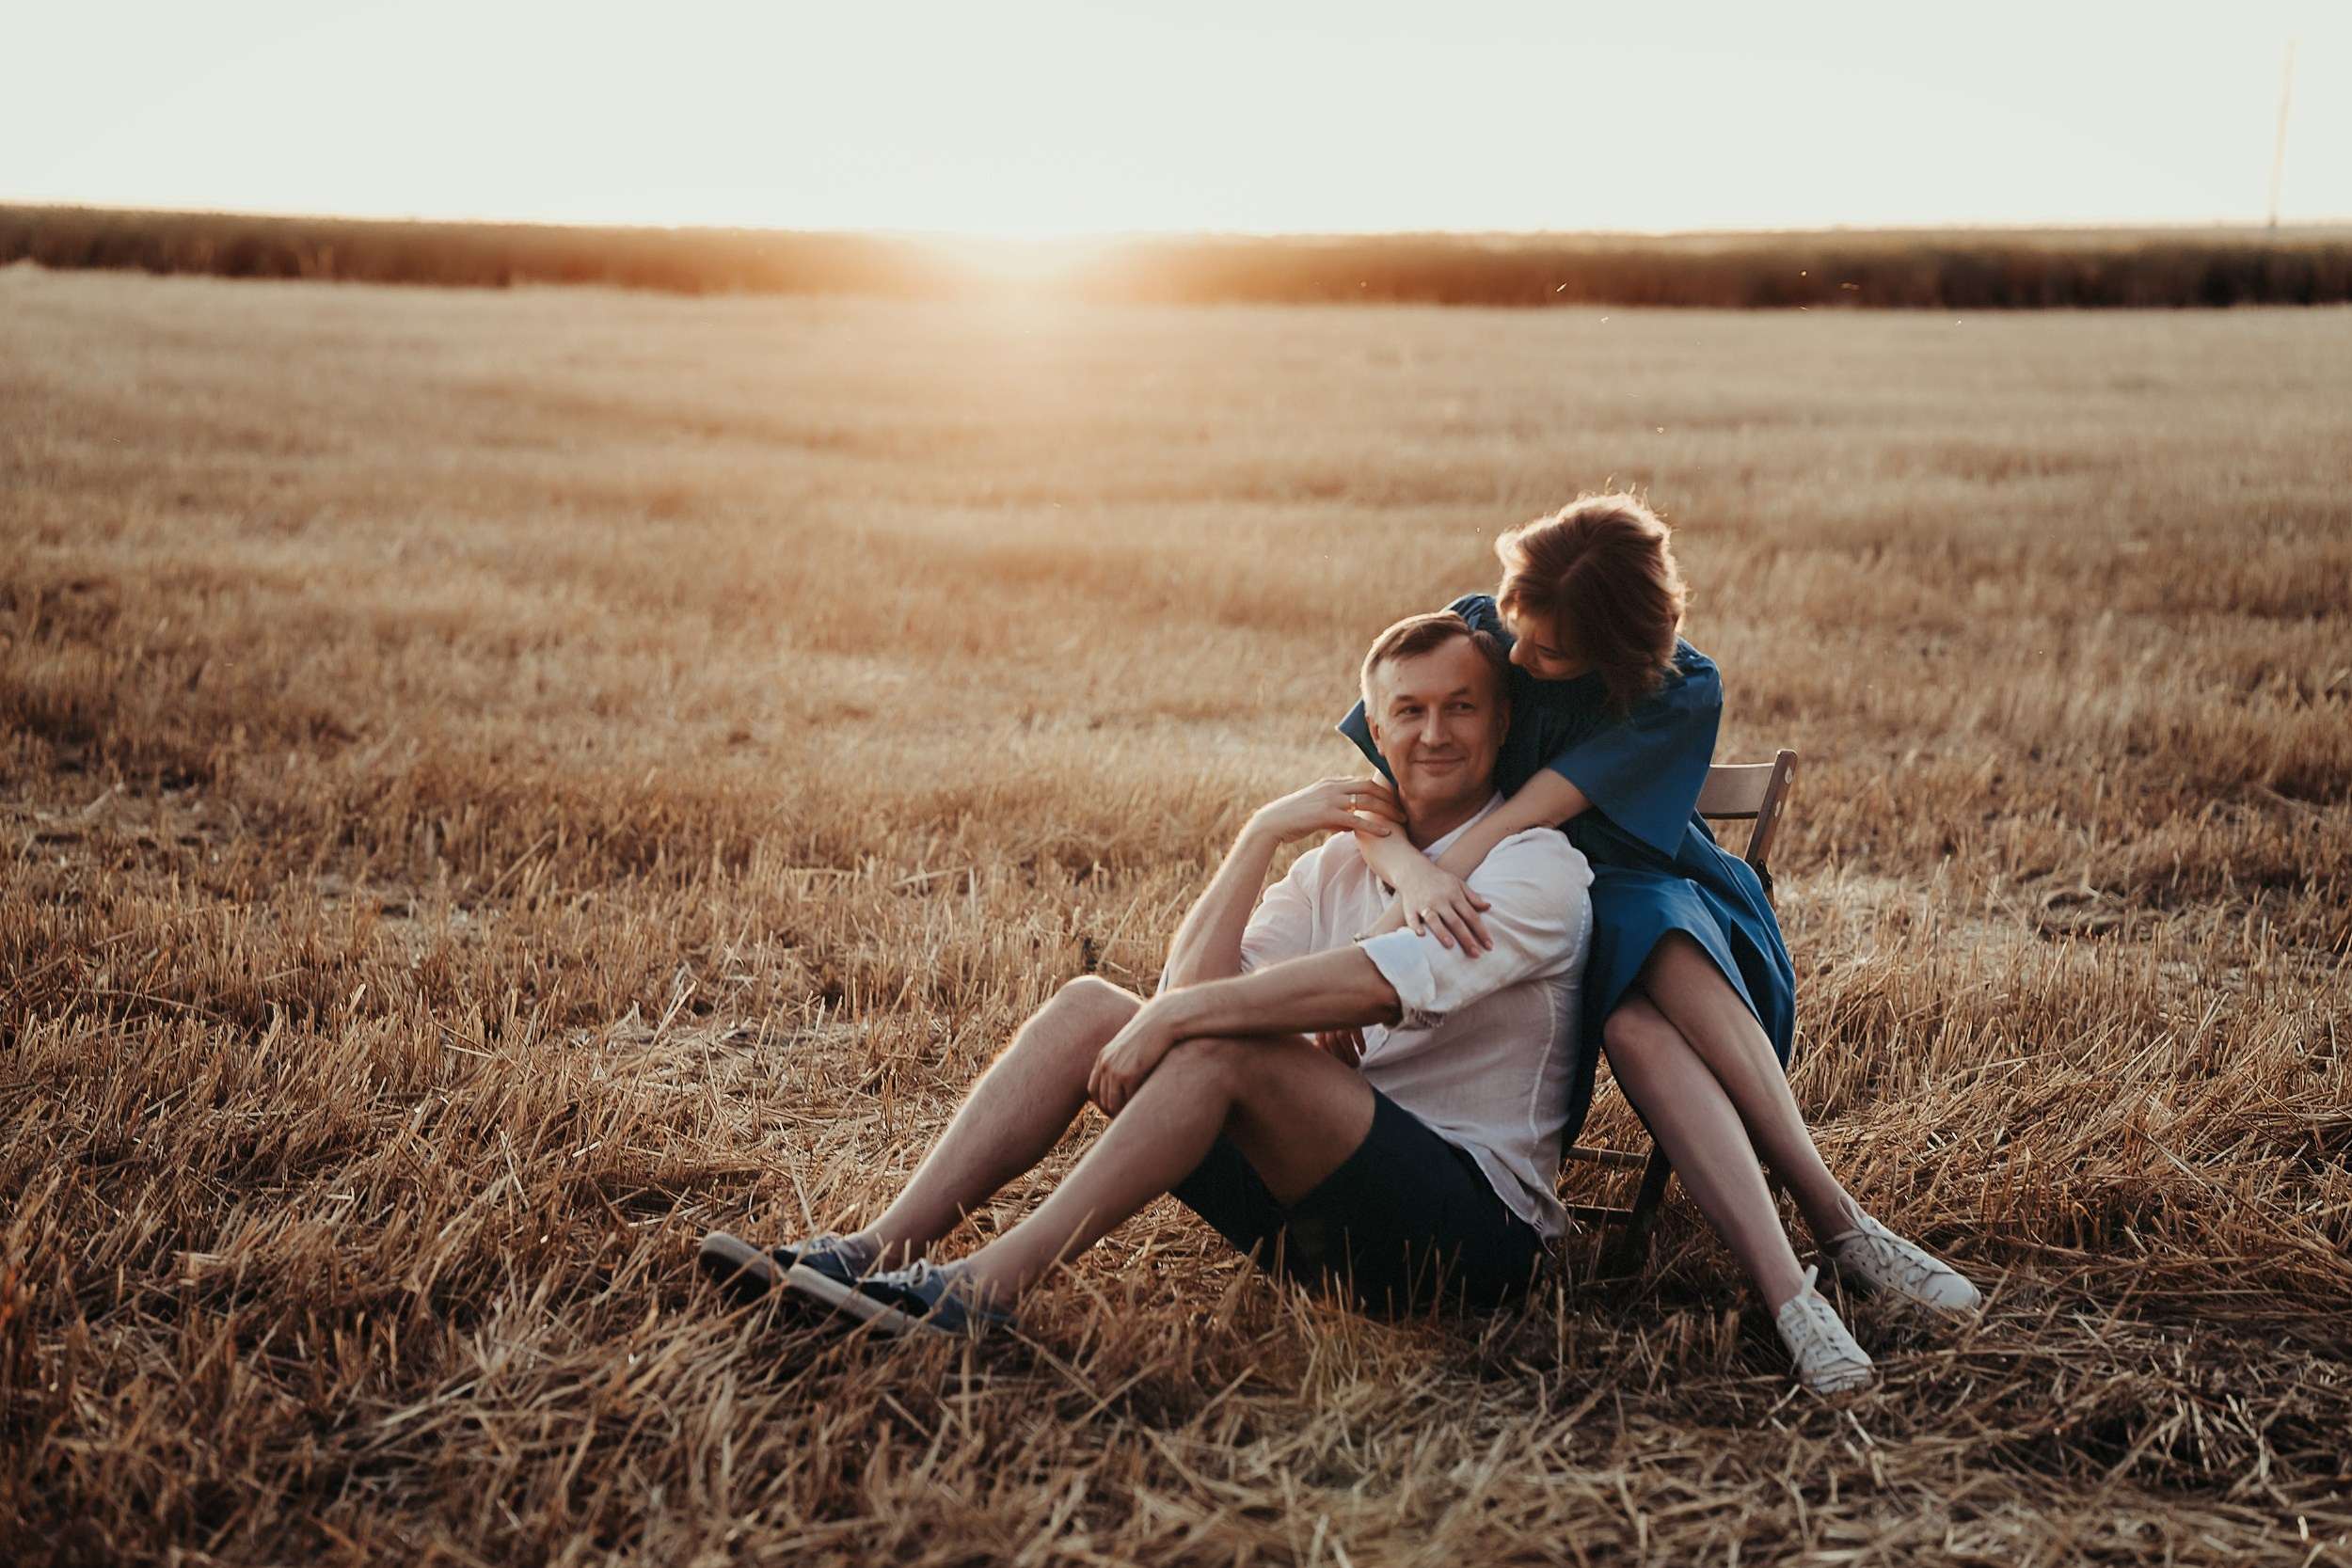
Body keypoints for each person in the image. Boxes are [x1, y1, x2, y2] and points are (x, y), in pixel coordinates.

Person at [700, 612, 1594, 1336]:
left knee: (1216, 1047)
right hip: (1318, 1213)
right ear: (1377, 728)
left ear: (1502, 720)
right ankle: (874, 1252)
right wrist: (1259, 833)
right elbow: (1185, 995)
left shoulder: (1536, 868)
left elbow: (1370, 983)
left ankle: (981, 1290)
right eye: (1408, 710)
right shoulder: (1335, 869)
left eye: (1462, 707)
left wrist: (1181, 1022)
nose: (1435, 732)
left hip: (1472, 1245)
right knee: (1095, 1004)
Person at [1341, 493, 1981, 1393]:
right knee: (1635, 1015)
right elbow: (1373, 783)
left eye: (1551, 654)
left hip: (1652, 893)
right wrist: (1415, 877)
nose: (1517, 660)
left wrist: (1450, 867)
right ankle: (1809, 1270)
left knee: (1651, 948)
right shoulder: (1480, 634)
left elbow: (1536, 811)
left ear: (1617, 655)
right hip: (1532, 898)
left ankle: (1827, 1237)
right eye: (1520, 630)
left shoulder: (1677, 686)